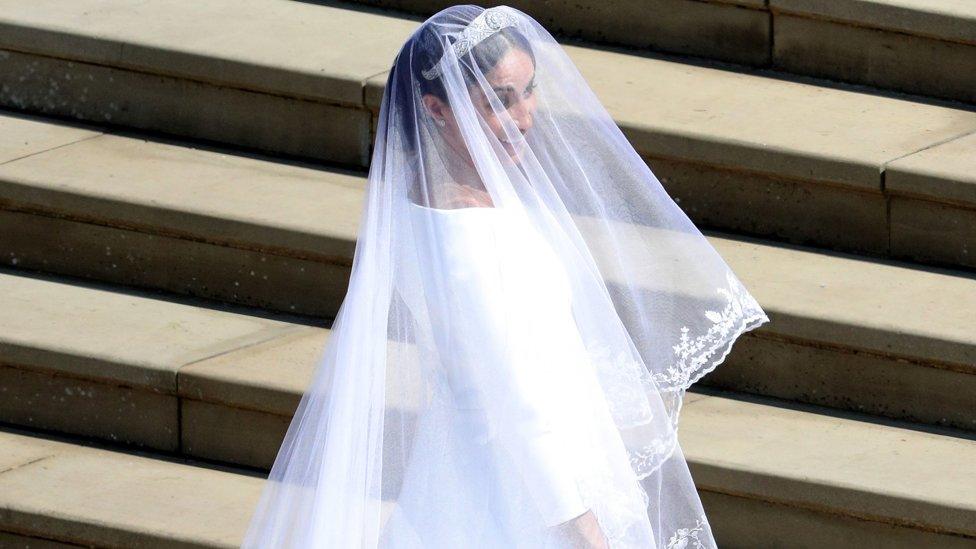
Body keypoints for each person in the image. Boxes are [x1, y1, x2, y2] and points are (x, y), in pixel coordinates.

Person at [241, 5, 769, 548]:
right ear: (437, 110)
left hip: (473, 472)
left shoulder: (433, 202)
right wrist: (582, 528)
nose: (524, 115)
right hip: (519, 498)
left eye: (527, 91)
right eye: (497, 100)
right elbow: (518, 402)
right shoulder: (467, 239)